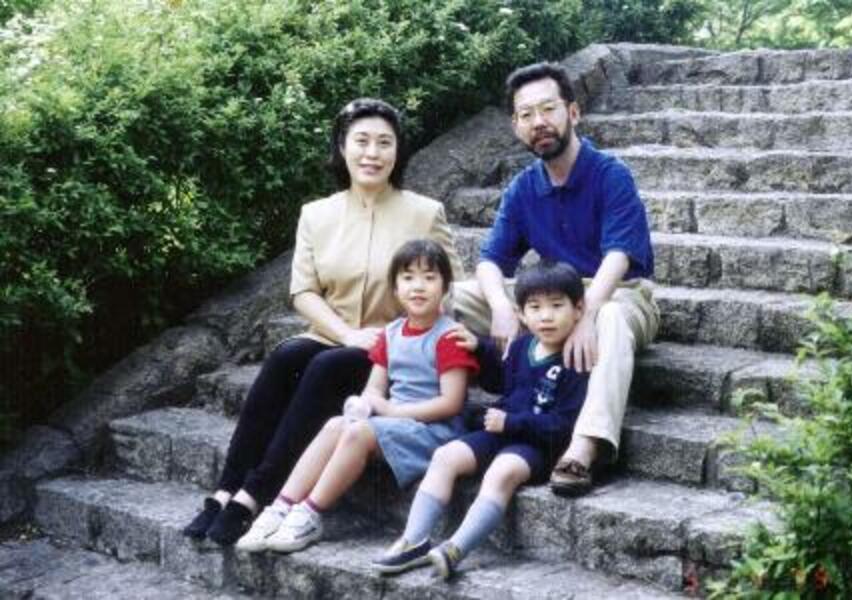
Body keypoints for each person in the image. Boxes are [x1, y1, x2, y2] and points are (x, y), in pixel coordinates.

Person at [182, 99, 463, 545]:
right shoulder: (317, 214)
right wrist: (348, 334)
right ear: (342, 147)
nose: (372, 153)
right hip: (336, 334)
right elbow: (304, 292)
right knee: (286, 356)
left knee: (326, 367)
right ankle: (224, 491)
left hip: (390, 349)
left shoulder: (424, 213)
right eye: (362, 141)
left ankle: (254, 496)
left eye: (384, 143)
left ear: (398, 151)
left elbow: (452, 284)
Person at [452, 62, 659, 497]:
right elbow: (489, 261)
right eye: (526, 115)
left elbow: (619, 257)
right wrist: (502, 307)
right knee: (454, 297)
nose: (539, 122)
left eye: (548, 109)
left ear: (573, 113)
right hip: (551, 296)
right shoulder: (523, 188)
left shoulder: (610, 174)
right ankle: (440, 409)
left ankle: (583, 447)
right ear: (516, 126)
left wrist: (588, 314)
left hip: (618, 292)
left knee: (610, 319)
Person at [233, 239, 479, 553]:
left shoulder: (449, 336)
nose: (418, 286)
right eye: (408, 278)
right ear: (395, 289)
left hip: (434, 431)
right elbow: (374, 388)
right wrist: (365, 405)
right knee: (336, 425)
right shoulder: (391, 333)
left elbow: (451, 403)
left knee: (358, 433)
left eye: (429, 278)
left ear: (445, 287)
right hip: (396, 425)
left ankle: (310, 513)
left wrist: (390, 412)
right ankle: (280, 507)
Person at [373, 259, 589, 577]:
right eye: (535, 307)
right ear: (521, 314)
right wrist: (480, 349)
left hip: (537, 444)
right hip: (500, 429)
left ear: (578, 309)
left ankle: (455, 548)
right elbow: (500, 381)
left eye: (557, 306)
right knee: (445, 456)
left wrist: (512, 423)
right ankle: (413, 540)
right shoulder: (523, 346)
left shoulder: (576, 359)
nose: (546, 316)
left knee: (502, 472)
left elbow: (565, 425)